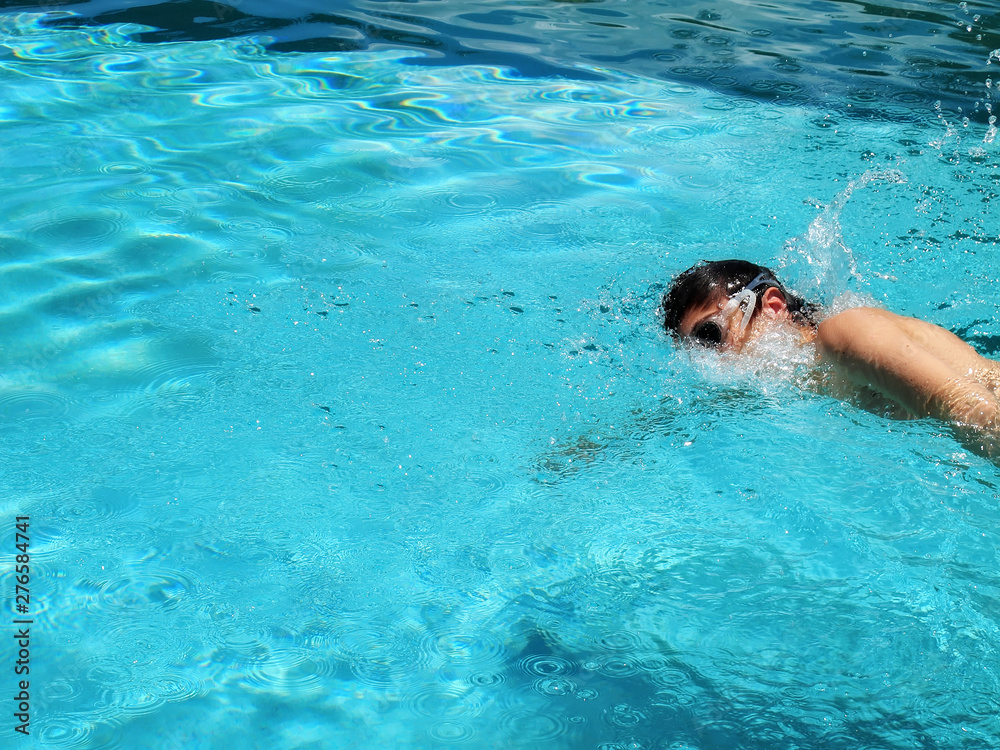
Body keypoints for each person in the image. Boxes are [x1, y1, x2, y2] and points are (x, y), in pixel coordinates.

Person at [661, 259, 1000, 435]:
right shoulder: (810, 376)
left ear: (773, 307)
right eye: (695, 351)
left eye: (709, 336)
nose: (709, 361)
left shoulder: (843, 333)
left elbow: (964, 405)